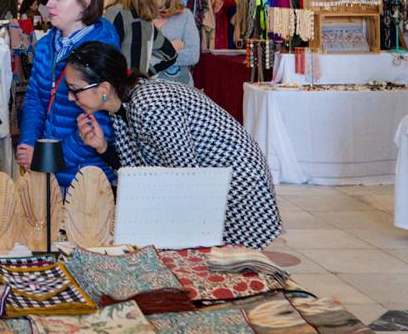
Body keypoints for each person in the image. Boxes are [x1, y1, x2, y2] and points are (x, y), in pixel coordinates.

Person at [68, 41, 282, 247]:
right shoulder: (122, 108)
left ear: (104, 89)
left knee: (227, 263)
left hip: (237, 188)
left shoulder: (149, 104)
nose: (70, 97)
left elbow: (186, 179)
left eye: (75, 89)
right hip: (211, 188)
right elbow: (138, 175)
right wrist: (102, 147)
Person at [15, 0, 120, 190]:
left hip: (86, 174)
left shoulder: (101, 49)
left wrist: (48, 157)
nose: (48, 4)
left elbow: (99, 123)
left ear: (85, 3)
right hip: (49, 170)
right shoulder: (46, 45)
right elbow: (35, 99)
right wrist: (28, 143)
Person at [149, 0, 200, 86]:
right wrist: (170, 48)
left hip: (181, 90)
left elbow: (193, 55)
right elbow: (134, 60)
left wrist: (152, 55)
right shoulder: (137, 17)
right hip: (147, 91)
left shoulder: (184, 15)